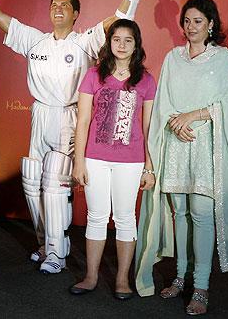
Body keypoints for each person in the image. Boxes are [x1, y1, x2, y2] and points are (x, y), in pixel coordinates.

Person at [0, 0, 154, 274]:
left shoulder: (86, 40)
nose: (57, 8)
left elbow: (120, 19)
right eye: (54, 4)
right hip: (40, 115)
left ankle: (57, 256)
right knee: (32, 180)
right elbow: (0, 18)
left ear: (75, 14)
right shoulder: (36, 40)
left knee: (54, 183)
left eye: (65, 5)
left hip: (69, 117)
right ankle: (47, 243)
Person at [134, 0, 228, 315]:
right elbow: (164, 100)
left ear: (211, 24)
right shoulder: (173, 58)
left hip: (206, 146)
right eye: (187, 21)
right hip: (176, 143)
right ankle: (180, 277)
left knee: (200, 213)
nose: (191, 27)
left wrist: (192, 116)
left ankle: (201, 287)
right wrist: (175, 121)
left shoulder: (224, 60)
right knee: (179, 212)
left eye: (198, 21)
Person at [68, 19, 156, 300]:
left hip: (131, 161)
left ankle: (122, 279)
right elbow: (82, 121)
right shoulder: (93, 75)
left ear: (136, 45)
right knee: (96, 217)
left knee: (125, 218)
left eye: (128, 40)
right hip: (95, 158)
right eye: (116, 39)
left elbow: (148, 127)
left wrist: (149, 166)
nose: (121, 45)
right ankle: (91, 276)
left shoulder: (147, 80)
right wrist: (79, 161)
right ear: (109, 43)